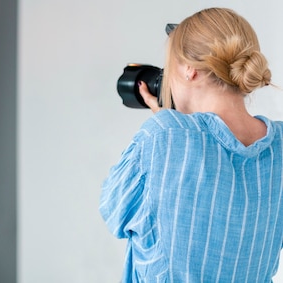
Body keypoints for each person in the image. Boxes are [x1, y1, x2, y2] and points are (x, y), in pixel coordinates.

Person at [100, 7, 283, 282]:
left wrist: (170, 128)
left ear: (189, 70)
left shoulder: (163, 136)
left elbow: (113, 210)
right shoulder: (279, 145)